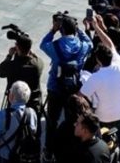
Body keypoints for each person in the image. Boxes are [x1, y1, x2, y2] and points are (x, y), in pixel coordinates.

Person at [39, 13, 92, 154]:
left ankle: (49, 150)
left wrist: (53, 30)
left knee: (52, 121)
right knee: (73, 121)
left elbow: (43, 44)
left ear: (61, 30)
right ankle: (71, 149)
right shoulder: (82, 46)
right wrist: (79, 30)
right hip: (74, 90)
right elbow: (90, 43)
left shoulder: (55, 46)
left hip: (55, 88)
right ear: (74, 30)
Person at [79, 15, 120, 159]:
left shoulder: (96, 77)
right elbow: (110, 44)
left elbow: (80, 95)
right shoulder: (119, 64)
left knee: (106, 146)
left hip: (104, 117)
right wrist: (97, 27)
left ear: (98, 60)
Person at [0, 81, 39, 163]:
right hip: (24, 156)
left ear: (11, 96)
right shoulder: (31, 113)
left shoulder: (3, 115)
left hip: (5, 157)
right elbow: (33, 130)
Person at [0, 31, 44, 110]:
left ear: (17, 48)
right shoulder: (38, 64)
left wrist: (9, 55)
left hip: (15, 105)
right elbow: (33, 57)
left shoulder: (11, 66)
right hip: (33, 104)